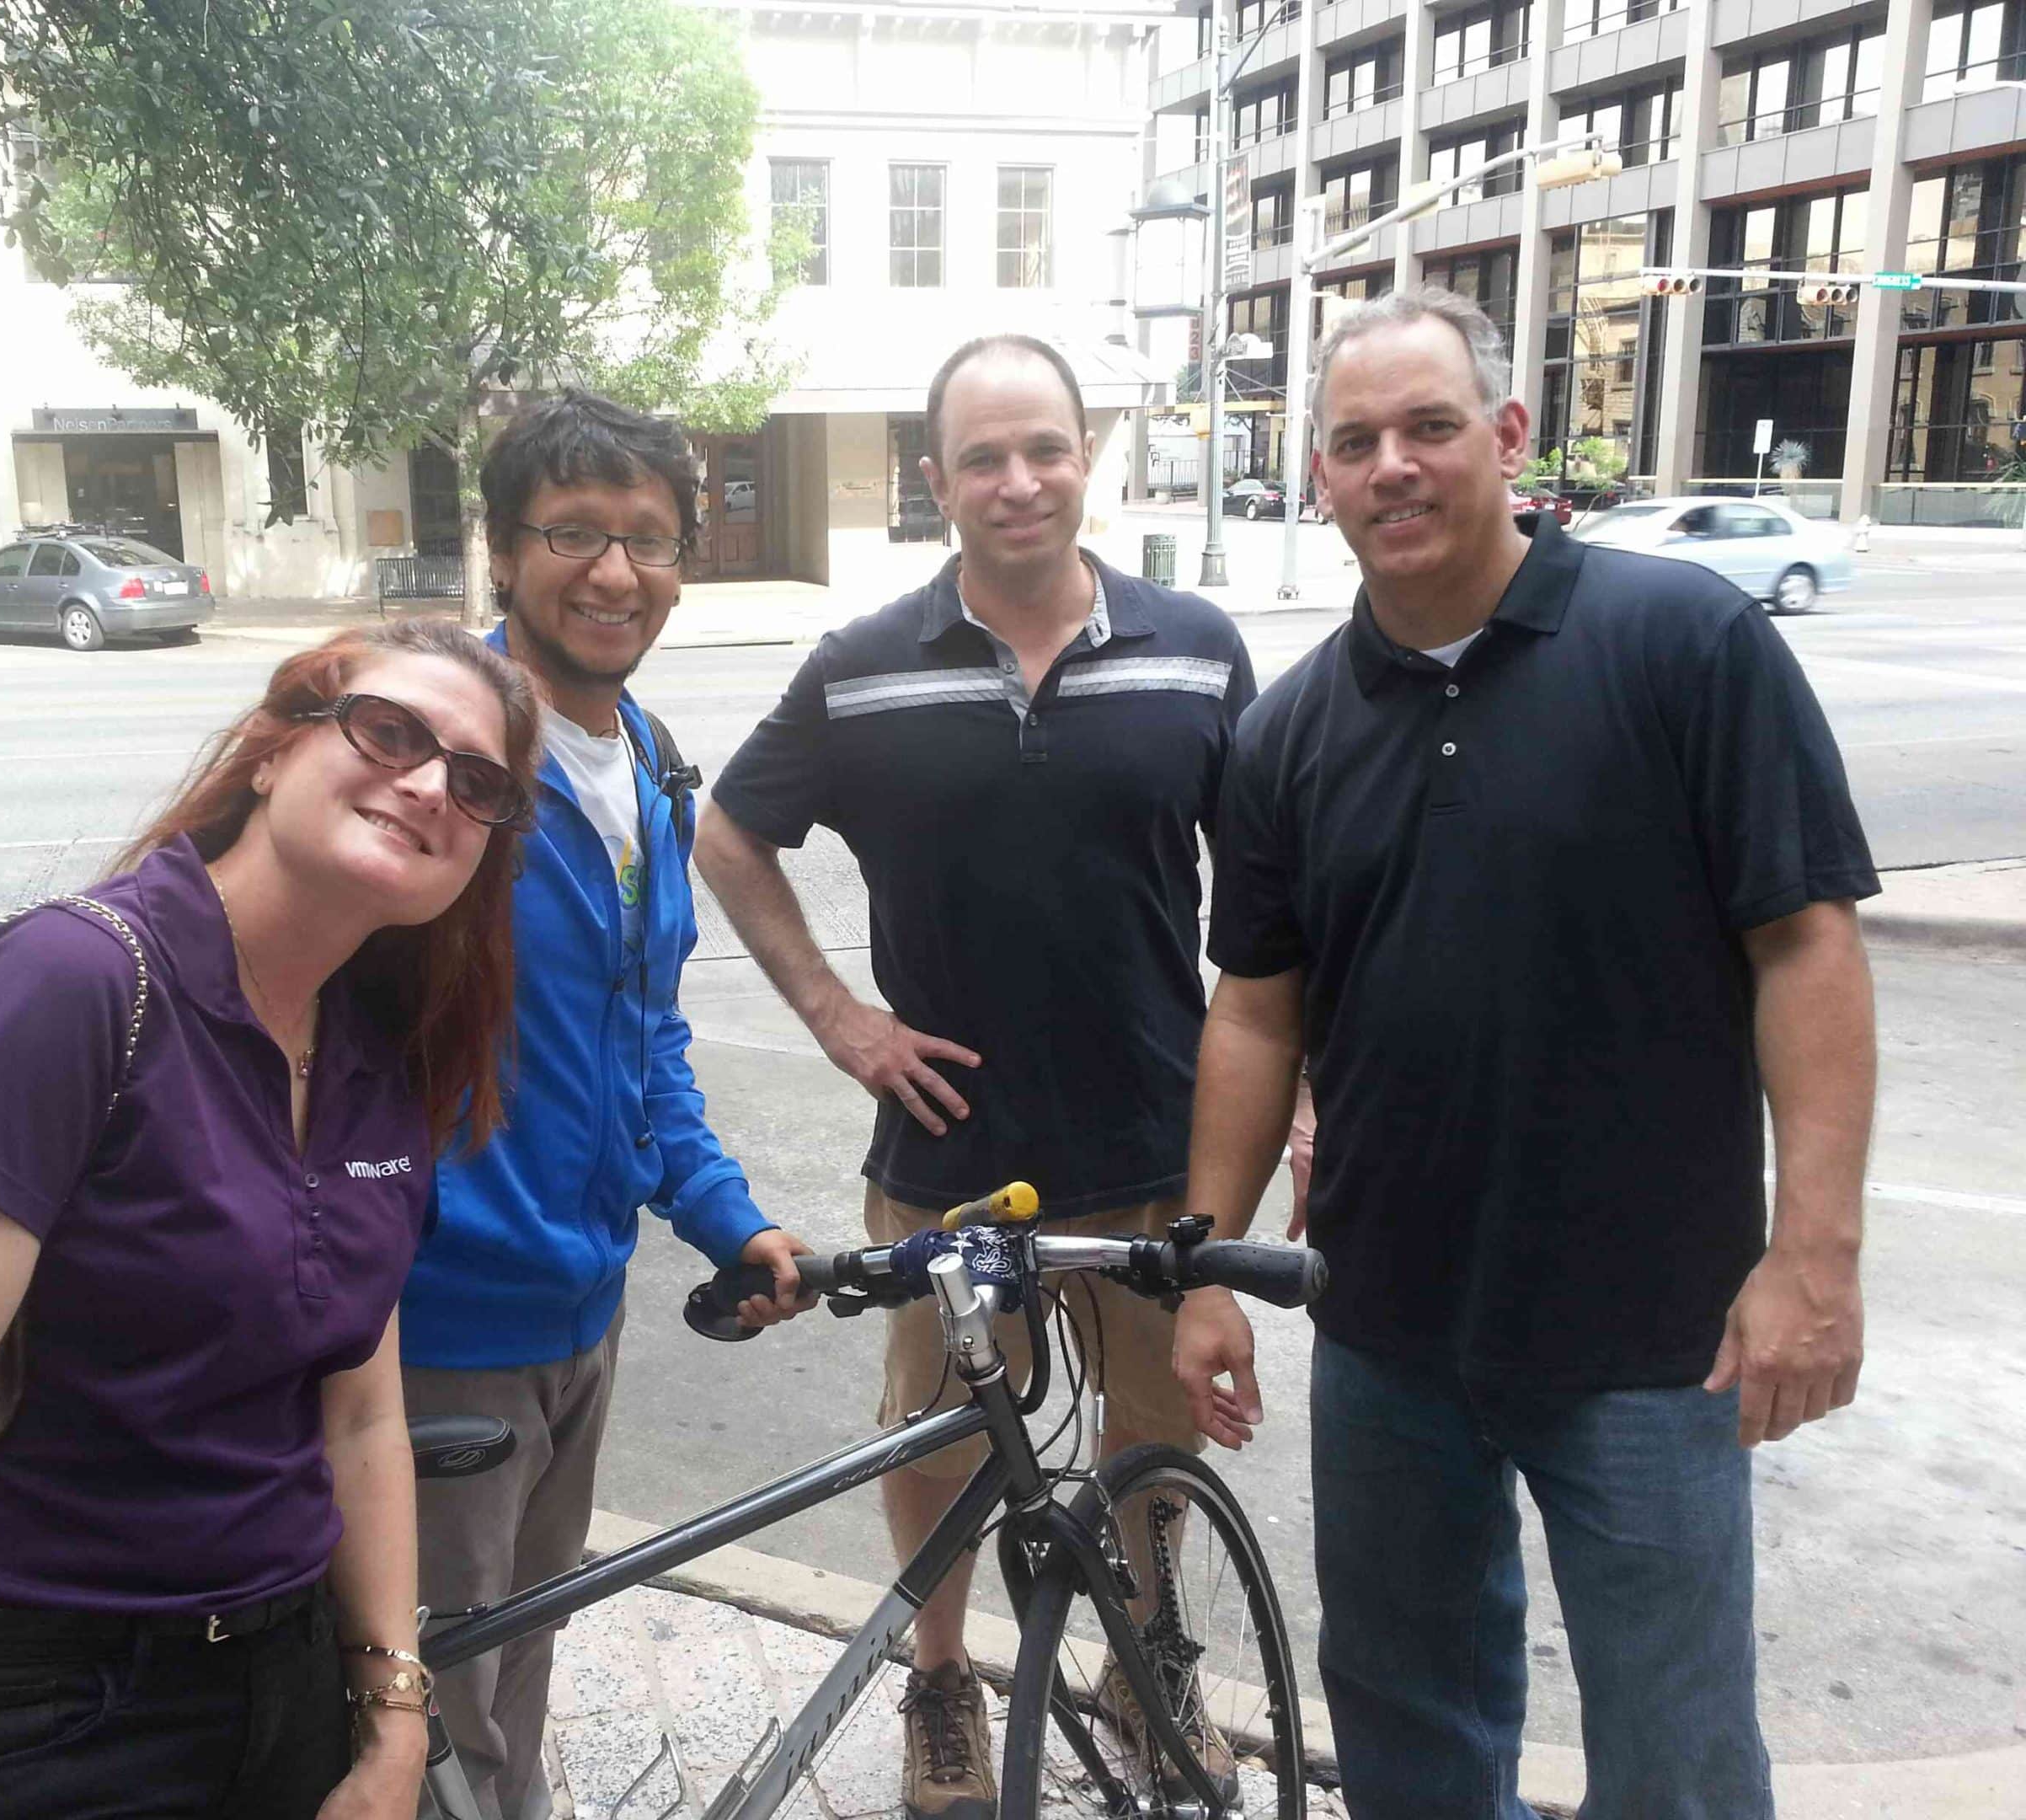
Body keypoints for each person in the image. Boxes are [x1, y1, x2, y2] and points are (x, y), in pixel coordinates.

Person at [1175, 287, 1877, 1819]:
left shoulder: (1682, 643)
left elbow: (1806, 948)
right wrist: (1214, 1263)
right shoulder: (1287, 735)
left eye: (1430, 428)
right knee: (1411, 1732)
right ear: (1318, 479)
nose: (1393, 467)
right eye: (1354, 442)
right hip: (1384, 1326)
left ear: (1506, 437)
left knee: (1675, 1756)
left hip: (1653, 1333)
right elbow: (1256, 1010)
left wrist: (1812, 1256)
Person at [0, 618, 543, 1818]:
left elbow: (360, 1414)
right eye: (390, 732)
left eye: (479, 781)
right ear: (274, 750)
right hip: (44, 1708)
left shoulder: (374, 1057)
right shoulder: (69, 987)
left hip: (285, 1691)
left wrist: (394, 1721)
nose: (432, 782)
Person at [696, 335, 1257, 1820]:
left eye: (1047, 450)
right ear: (935, 480)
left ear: (1091, 456)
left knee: (1152, 1439)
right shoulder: (862, 667)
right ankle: (940, 1683)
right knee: (939, 1438)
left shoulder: (1198, 647)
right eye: (986, 459)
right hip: (949, 1157)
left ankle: (1156, 1671)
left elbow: (1271, 909)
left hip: (1153, 1143)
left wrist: (1298, 1101)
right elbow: (731, 835)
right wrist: (836, 1014)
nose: (1020, 483)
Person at [395, 389, 809, 1820]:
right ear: (505, 552)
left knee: (517, 1661)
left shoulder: (649, 766)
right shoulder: (437, 757)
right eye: (573, 533)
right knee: (430, 1722)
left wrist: (724, 1217)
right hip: (437, 1327)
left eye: (648, 539)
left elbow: (644, 1050)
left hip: (584, 1316)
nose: (615, 573)